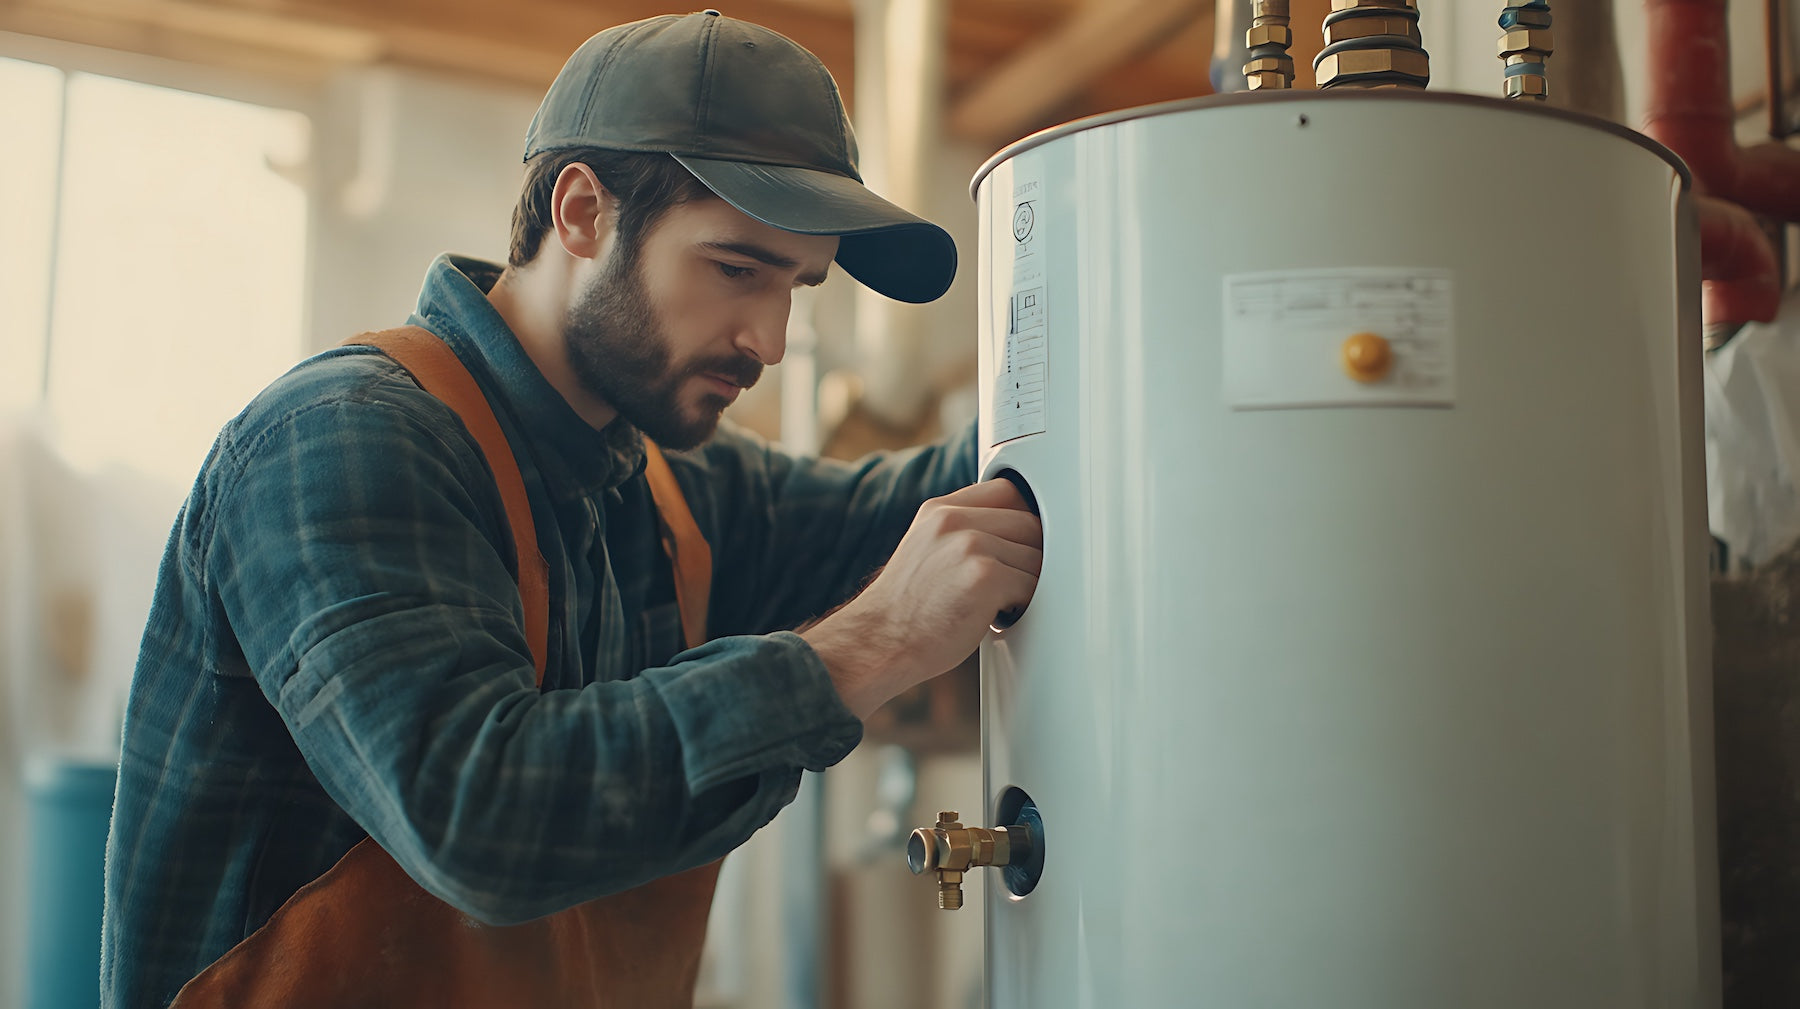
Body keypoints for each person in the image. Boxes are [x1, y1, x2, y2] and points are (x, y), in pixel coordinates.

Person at [99, 10, 1041, 1008]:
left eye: (796, 286)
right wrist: (874, 640)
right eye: (737, 269)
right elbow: (476, 812)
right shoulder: (340, 441)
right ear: (583, 212)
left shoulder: (676, 492)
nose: (769, 338)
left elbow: (936, 497)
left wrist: (1115, 328)